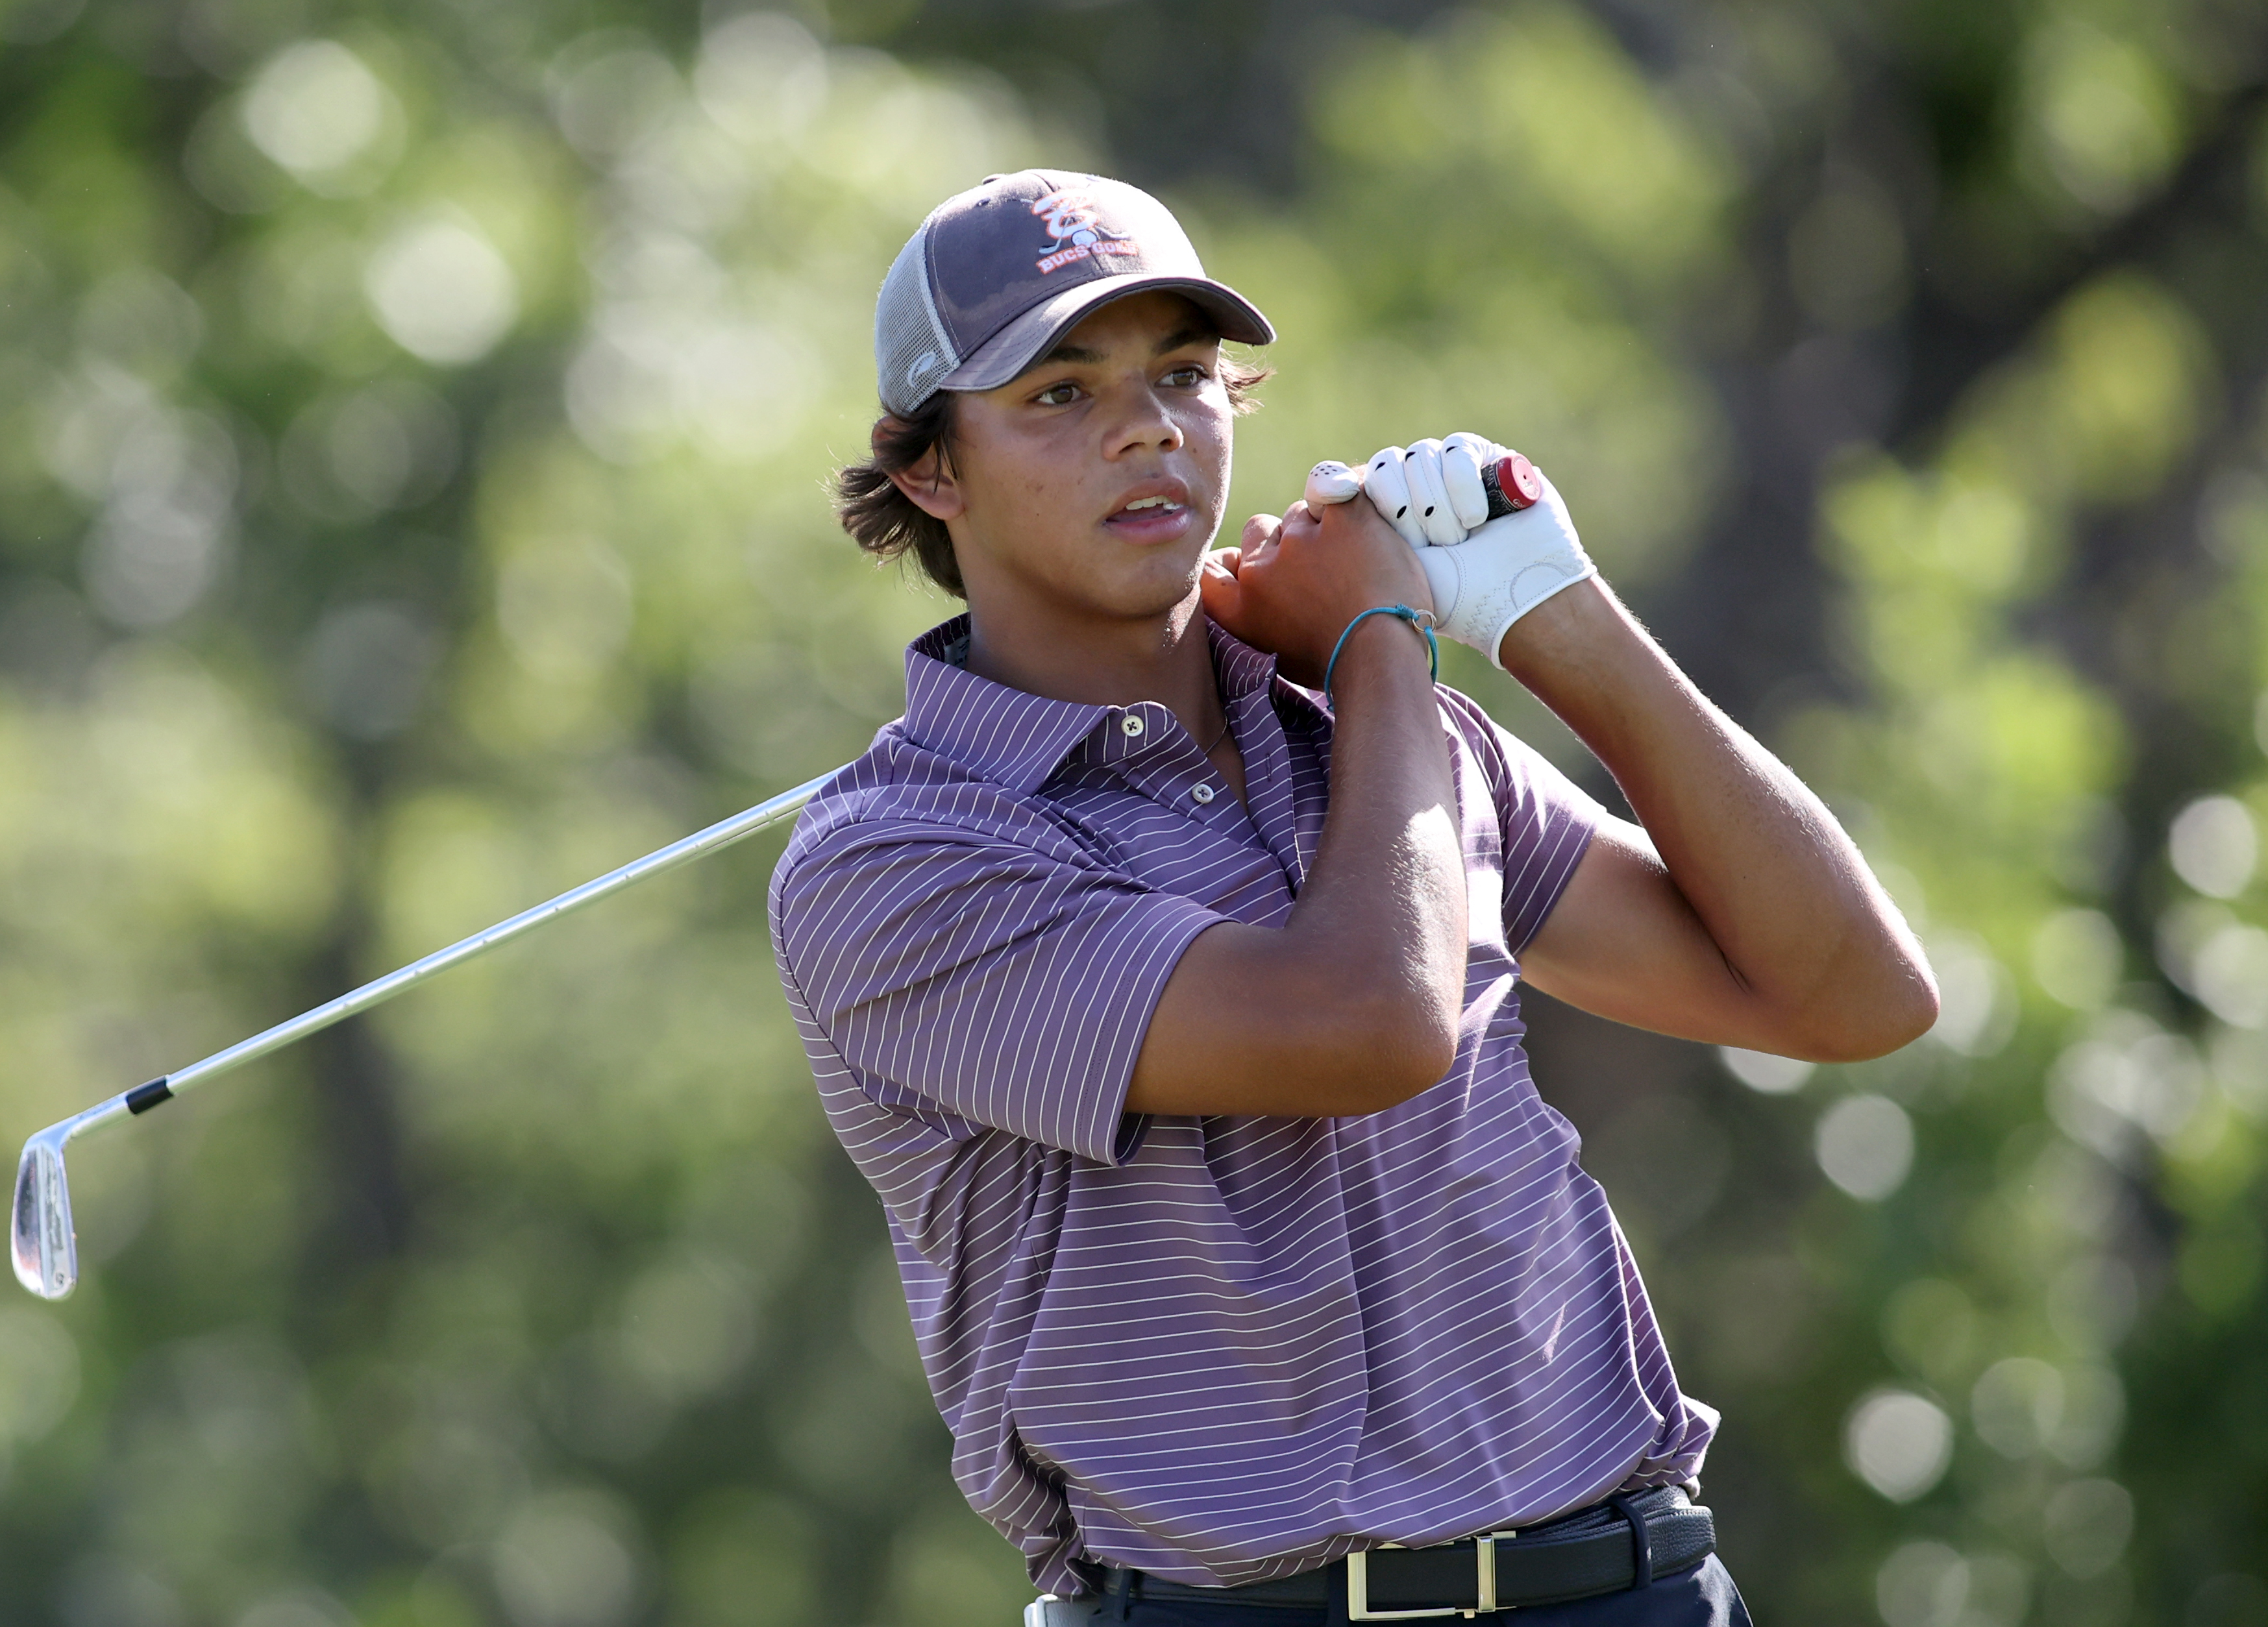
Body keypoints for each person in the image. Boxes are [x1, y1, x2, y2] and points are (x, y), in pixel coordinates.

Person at [770, 170, 1936, 1625]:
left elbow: (1852, 996)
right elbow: (1370, 1028)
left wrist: (1553, 614)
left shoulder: (1377, 743)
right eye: (1060, 394)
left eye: (1184, 377)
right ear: (932, 471)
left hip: (1628, 1584)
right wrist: (1386, 642)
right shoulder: (893, 863)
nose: (1148, 426)